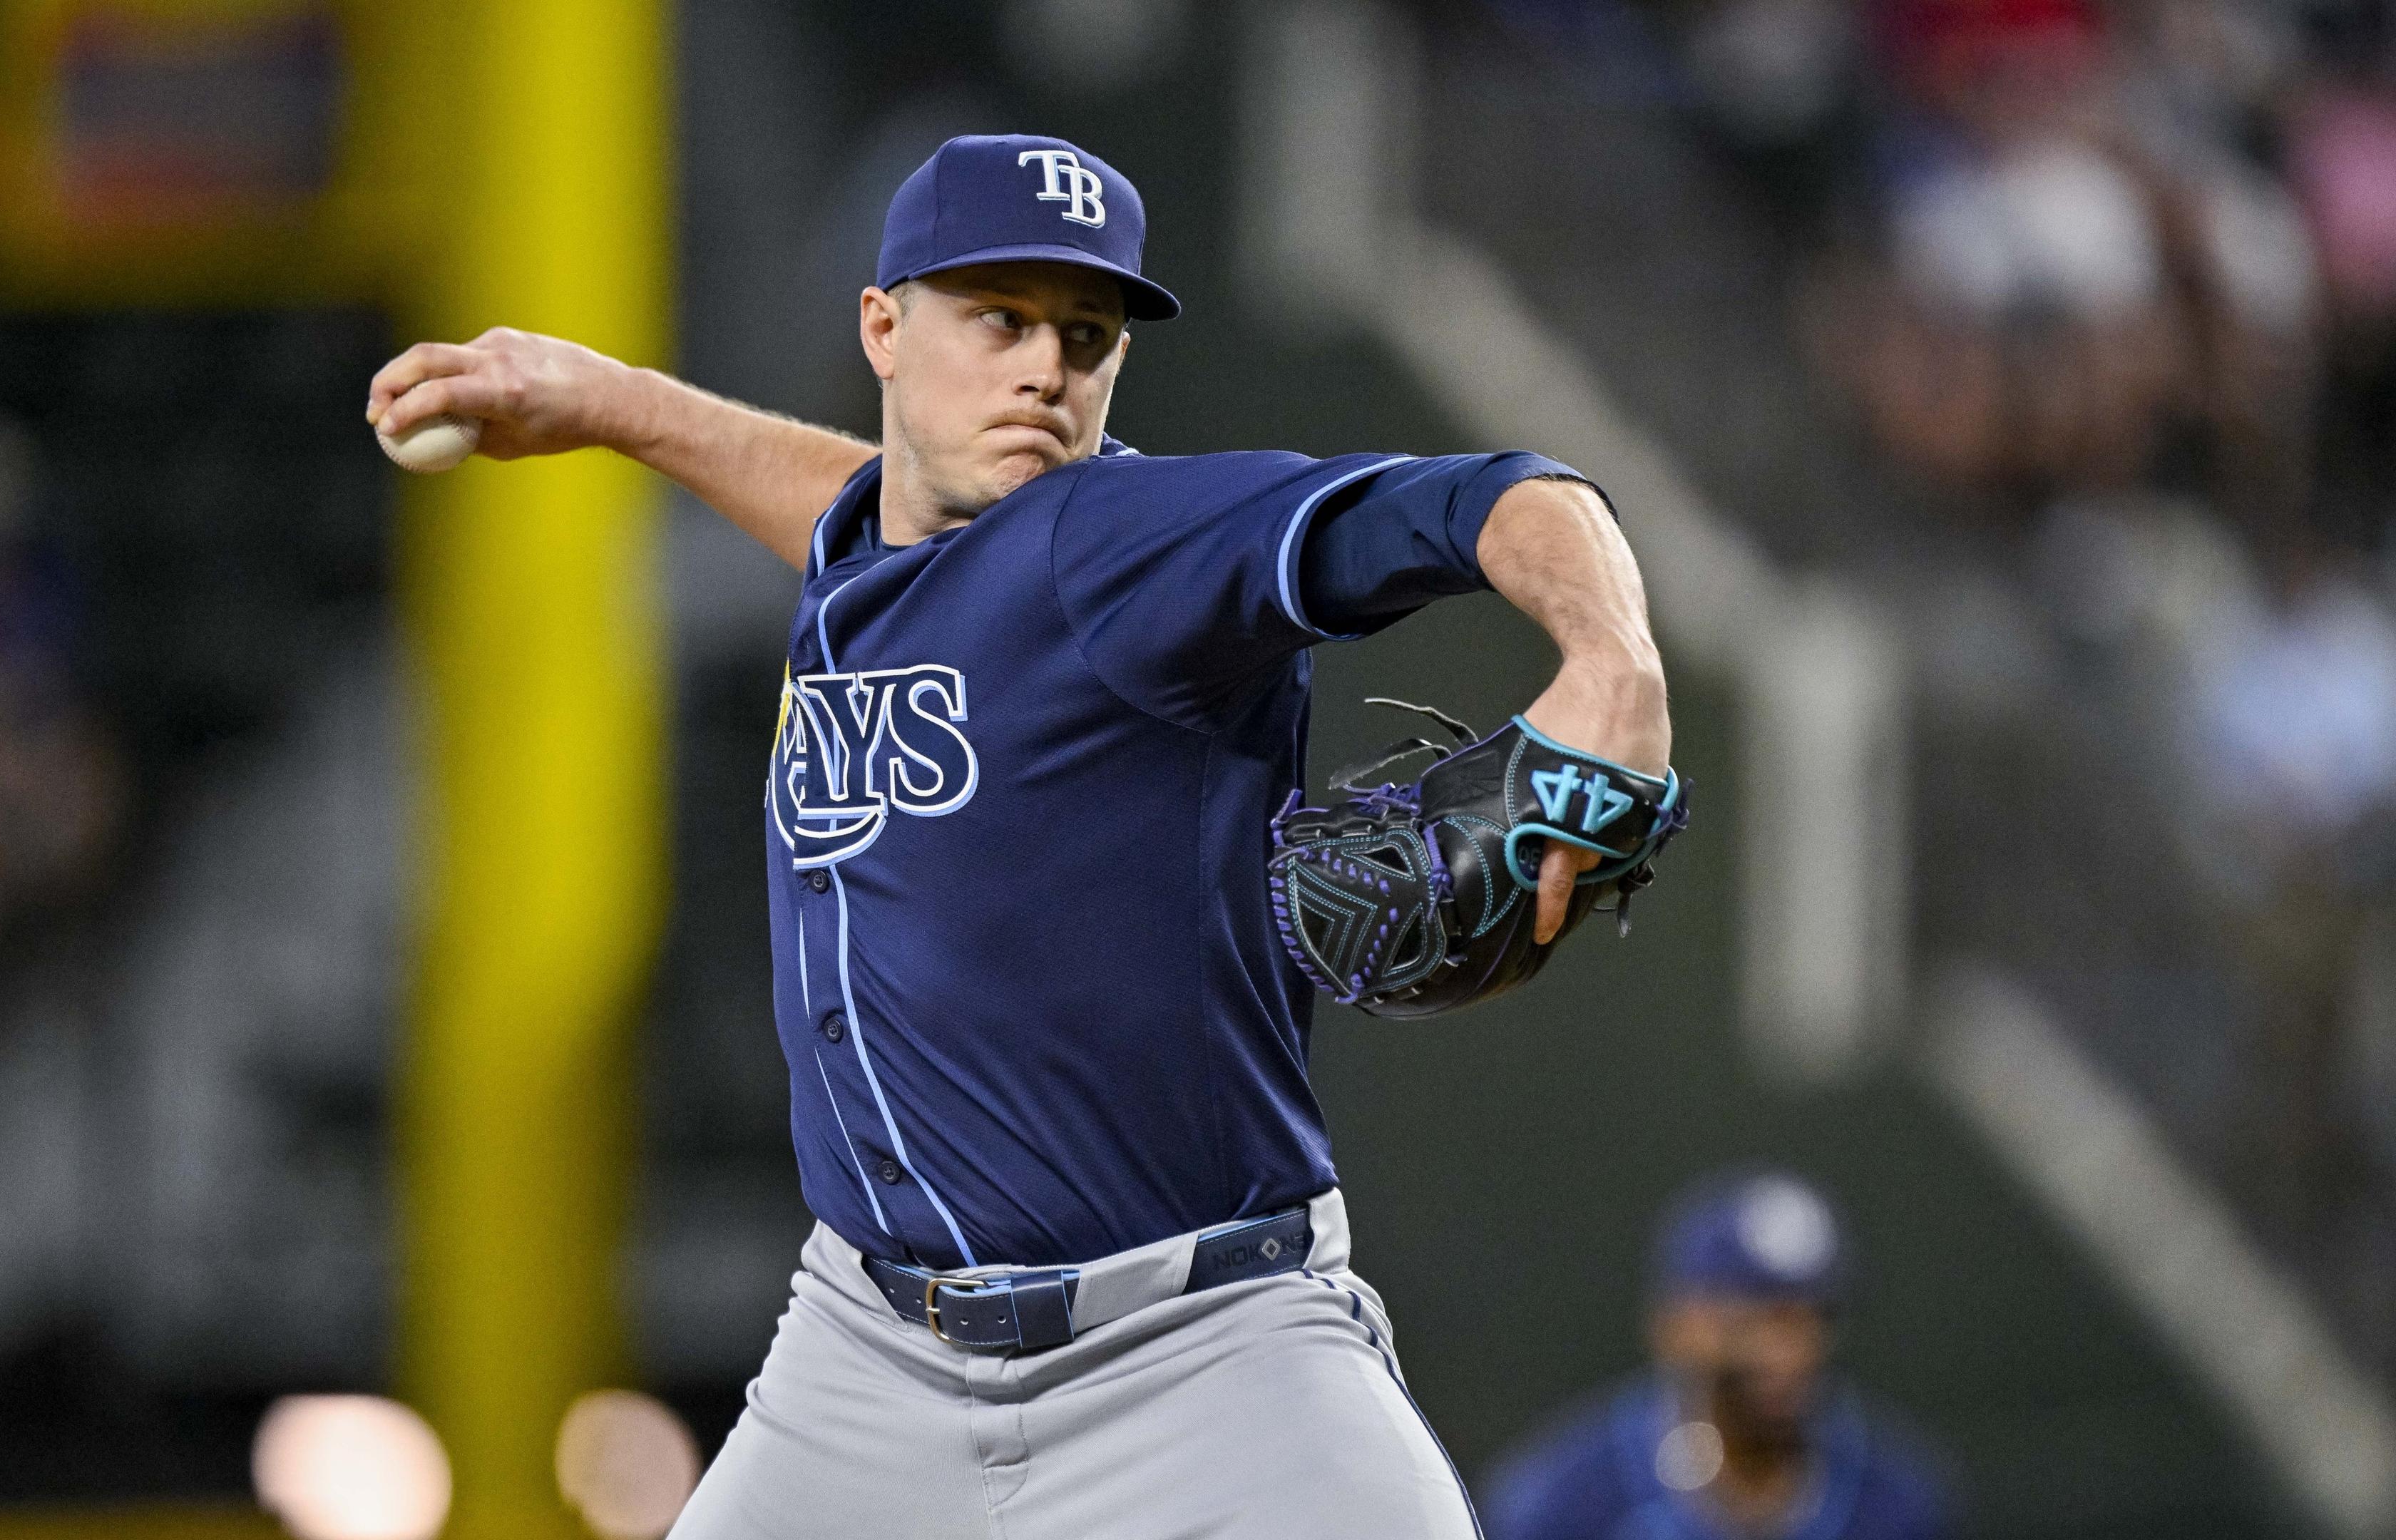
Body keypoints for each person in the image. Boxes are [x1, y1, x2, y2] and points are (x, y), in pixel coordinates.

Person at [366, 133, 1671, 1539]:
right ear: (883, 325)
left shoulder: (1123, 541)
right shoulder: (883, 551)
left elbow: (1490, 497)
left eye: (1086, 333)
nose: (1044, 370)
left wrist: (1613, 657)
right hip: (865, 1356)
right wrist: (610, 401)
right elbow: (849, 511)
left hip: (1205, 1351)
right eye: (998, 319)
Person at [1483, 1171, 1955, 1540]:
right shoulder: (1569, 1503)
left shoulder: (1896, 1503)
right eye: (1750, 1319)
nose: (1784, 1352)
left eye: (1809, 1320)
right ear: (1675, 1327)